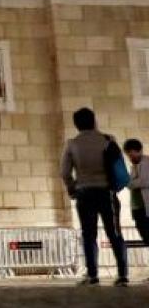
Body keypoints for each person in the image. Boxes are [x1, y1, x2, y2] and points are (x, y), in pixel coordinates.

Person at [60, 108, 128, 286]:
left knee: (89, 234)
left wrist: (72, 188)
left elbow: (64, 172)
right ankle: (122, 275)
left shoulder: (72, 144)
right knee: (114, 233)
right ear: (94, 121)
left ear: (76, 125)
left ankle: (92, 275)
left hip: (84, 193)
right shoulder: (108, 140)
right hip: (107, 193)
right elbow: (119, 166)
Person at [124, 139, 149, 251]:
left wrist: (128, 183)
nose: (131, 158)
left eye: (132, 155)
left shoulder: (146, 163)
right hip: (137, 207)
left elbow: (143, 181)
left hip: (145, 207)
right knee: (145, 235)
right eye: (129, 156)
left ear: (139, 151)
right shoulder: (134, 167)